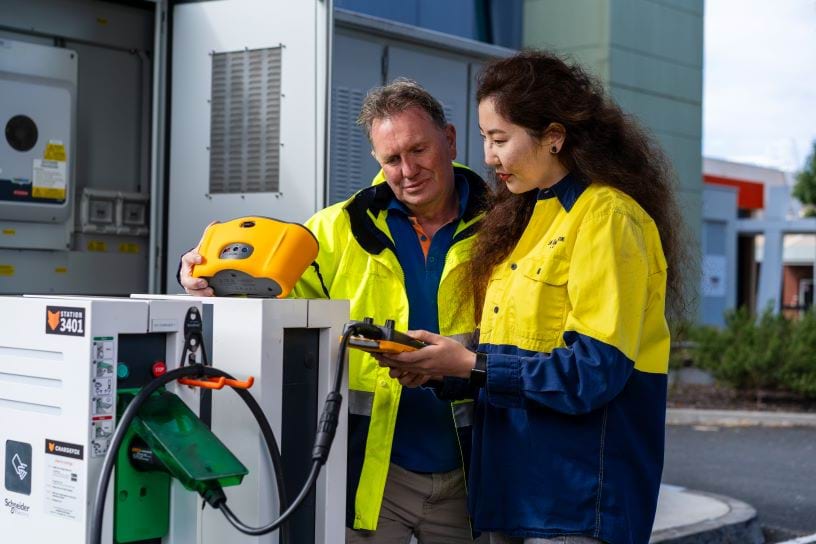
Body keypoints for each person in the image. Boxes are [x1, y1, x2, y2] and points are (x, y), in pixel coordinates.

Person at [378, 51, 690, 544]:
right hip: (514, 498)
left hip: (575, 506)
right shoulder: (526, 218)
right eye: (484, 138)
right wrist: (443, 363)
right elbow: (521, 346)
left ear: (554, 136)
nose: (488, 157)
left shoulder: (607, 218)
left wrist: (469, 365)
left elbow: (595, 371)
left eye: (500, 139)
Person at [178, 79, 488, 543]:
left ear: (449, 139)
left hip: (477, 472)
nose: (407, 171)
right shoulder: (335, 229)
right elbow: (272, 301)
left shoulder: (507, 224)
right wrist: (203, 280)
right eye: (391, 159)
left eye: (419, 150)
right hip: (374, 478)